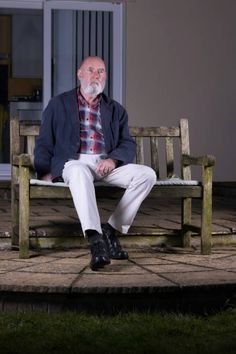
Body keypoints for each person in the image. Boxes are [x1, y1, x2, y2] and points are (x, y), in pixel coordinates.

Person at [34, 56, 156, 271]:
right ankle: (95, 240)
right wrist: (44, 171)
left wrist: (113, 159)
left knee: (147, 175)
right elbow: (44, 141)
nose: (96, 75)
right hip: (73, 163)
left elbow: (127, 143)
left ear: (105, 77)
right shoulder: (58, 104)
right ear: (79, 74)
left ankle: (111, 230)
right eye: (91, 70)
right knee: (80, 170)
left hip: (105, 164)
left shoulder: (116, 109)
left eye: (101, 71)